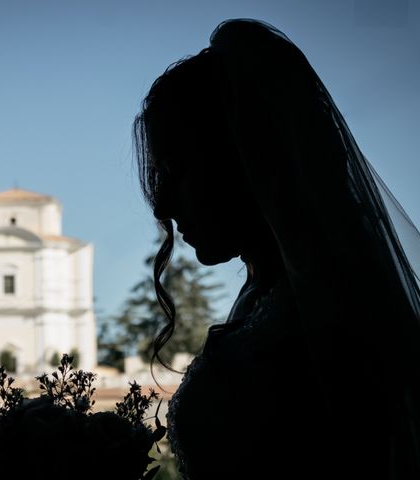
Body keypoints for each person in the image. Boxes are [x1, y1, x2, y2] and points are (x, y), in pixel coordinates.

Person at [133, 18, 420, 479]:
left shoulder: (321, 322)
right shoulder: (270, 306)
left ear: (243, 162)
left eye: (177, 170)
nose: (163, 202)